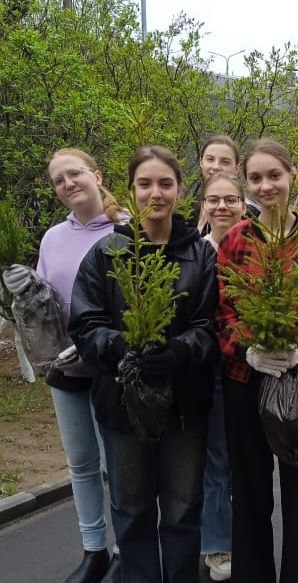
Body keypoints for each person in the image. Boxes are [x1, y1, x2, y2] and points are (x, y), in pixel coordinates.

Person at [69, 146, 219, 582]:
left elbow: (210, 324)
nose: (156, 193)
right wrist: (120, 347)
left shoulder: (200, 255)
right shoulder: (106, 254)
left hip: (185, 404)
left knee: (182, 507)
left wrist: (178, 353)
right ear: (131, 189)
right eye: (145, 184)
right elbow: (85, 323)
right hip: (121, 404)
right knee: (131, 508)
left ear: (180, 189)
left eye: (166, 183)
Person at [215, 138, 298, 582]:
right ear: (246, 183)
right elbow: (221, 314)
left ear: (292, 175)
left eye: (274, 175)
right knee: (249, 492)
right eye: (255, 178)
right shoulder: (235, 240)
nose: (266, 185)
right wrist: (247, 351)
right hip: (244, 381)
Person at [1, 148, 120, 582]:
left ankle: (126, 549)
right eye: (58, 180)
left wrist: (98, 347)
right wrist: (21, 291)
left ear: (96, 175)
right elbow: (42, 306)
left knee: (117, 466)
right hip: (64, 370)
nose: (68, 184)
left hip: (111, 370)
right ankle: (94, 551)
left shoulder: (125, 230)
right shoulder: (53, 238)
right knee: (82, 464)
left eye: (75, 173)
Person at [199, 172, 247, 581]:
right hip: (209, 368)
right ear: (203, 205)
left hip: (250, 367)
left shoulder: (258, 249)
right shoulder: (197, 253)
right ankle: (217, 544)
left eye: (230, 199)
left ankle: (246, 536)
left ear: (243, 205)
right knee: (217, 459)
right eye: (213, 200)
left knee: (244, 459)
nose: (222, 207)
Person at [193, 135, 243, 231]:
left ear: (237, 169)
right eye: (210, 159)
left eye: (225, 162)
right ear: (201, 163)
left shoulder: (249, 214)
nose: (216, 167)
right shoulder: (192, 205)